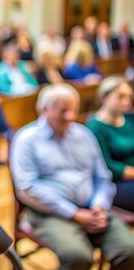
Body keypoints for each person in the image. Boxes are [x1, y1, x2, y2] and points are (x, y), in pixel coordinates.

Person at [10, 83, 134, 270]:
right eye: (63, 111)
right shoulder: (27, 139)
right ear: (44, 109)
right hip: (49, 213)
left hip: (91, 207)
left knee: (129, 250)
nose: (70, 116)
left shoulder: (83, 134)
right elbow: (28, 188)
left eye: (74, 110)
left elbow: (102, 176)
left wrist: (99, 205)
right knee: (78, 257)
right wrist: (74, 213)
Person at [87, 77, 134, 213]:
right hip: (114, 183)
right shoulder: (96, 127)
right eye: (120, 97)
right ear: (104, 97)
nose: (126, 102)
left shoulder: (129, 118)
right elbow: (105, 165)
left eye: (129, 97)